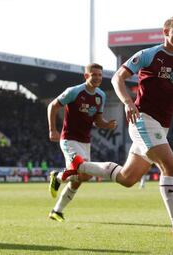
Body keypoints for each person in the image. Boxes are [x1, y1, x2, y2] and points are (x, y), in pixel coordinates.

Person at [56, 15, 173, 242]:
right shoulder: (150, 54)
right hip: (143, 119)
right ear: (165, 31)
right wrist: (127, 103)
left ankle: (81, 165)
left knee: (127, 178)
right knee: (170, 165)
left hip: (161, 127)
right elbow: (118, 77)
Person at [47, 63, 117, 222]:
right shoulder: (74, 91)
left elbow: (98, 121)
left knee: (82, 178)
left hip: (85, 141)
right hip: (69, 139)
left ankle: (56, 210)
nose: (98, 77)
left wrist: (107, 124)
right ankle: (58, 177)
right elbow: (52, 106)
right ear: (86, 76)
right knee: (81, 168)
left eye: (100, 75)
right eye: (94, 74)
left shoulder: (101, 96)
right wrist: (53, 129)